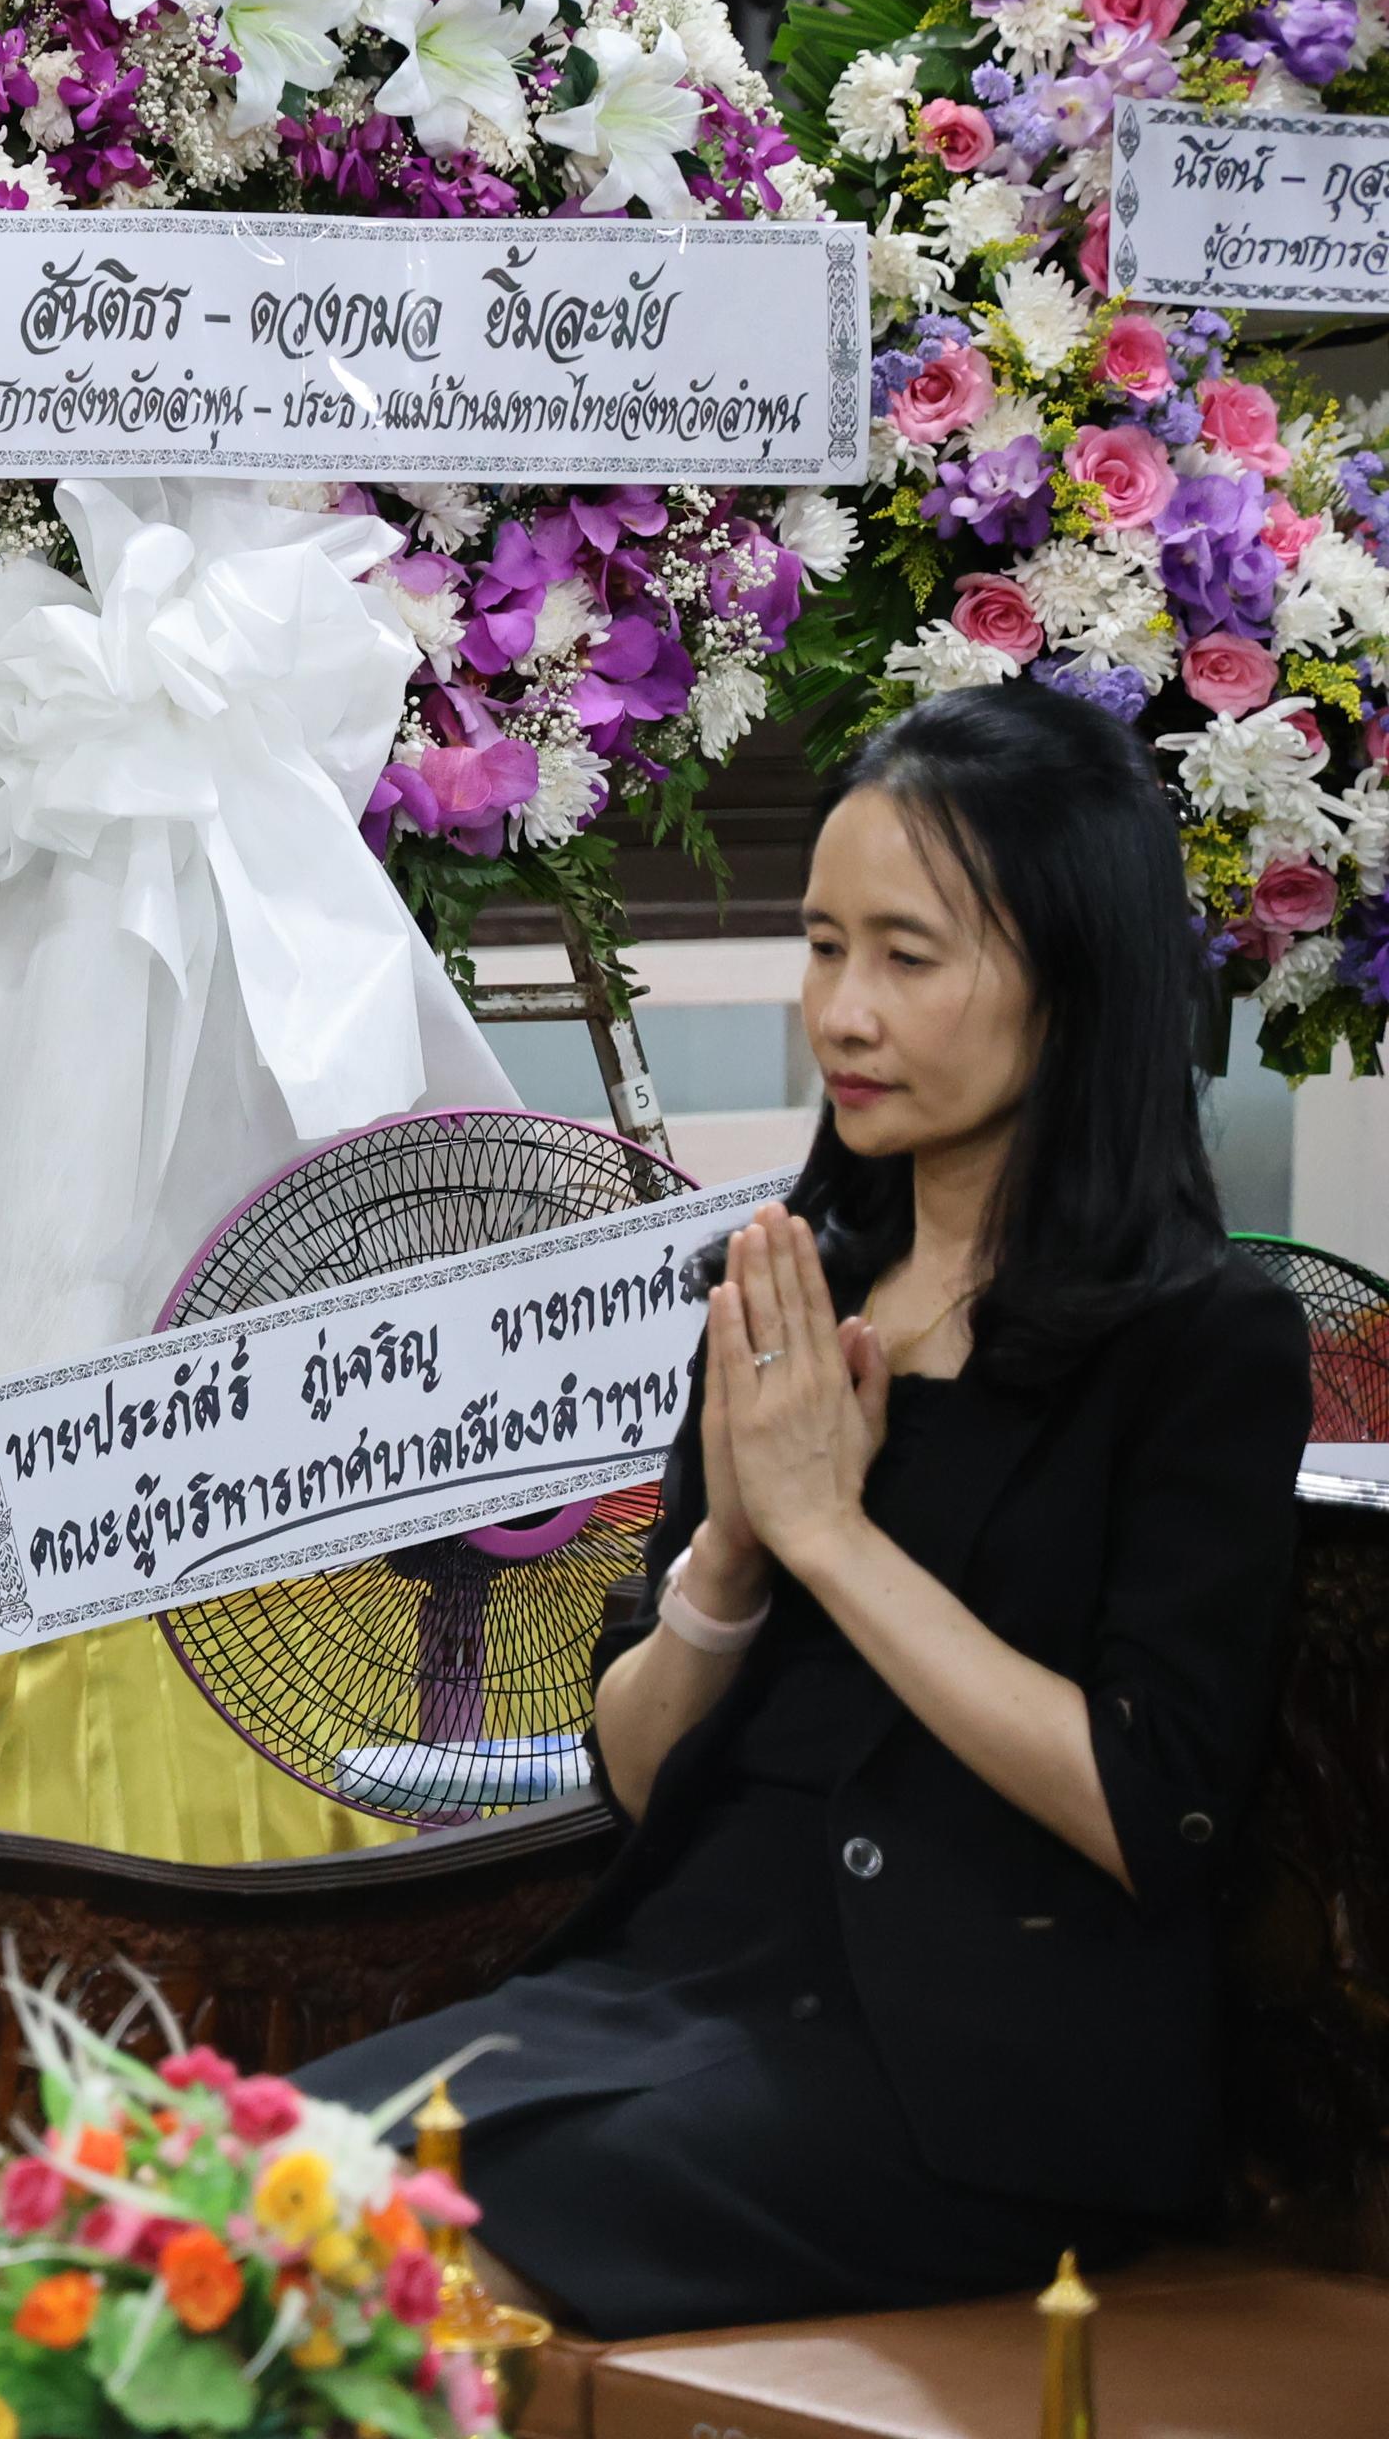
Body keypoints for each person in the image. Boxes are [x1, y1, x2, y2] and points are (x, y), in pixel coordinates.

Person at [292, 680, 1310, 2338]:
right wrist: (739, 1553)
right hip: (682, 1983)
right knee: (200, 2189)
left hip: (982, 2078)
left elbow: (1149, 1808)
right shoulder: (785, 1294)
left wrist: (838, 1536)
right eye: (824, 947)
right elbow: (642, 1777)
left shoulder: (1202, 1341)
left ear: (1075, 983)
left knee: (373, 2272)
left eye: (908, 958)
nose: (842, 1012)